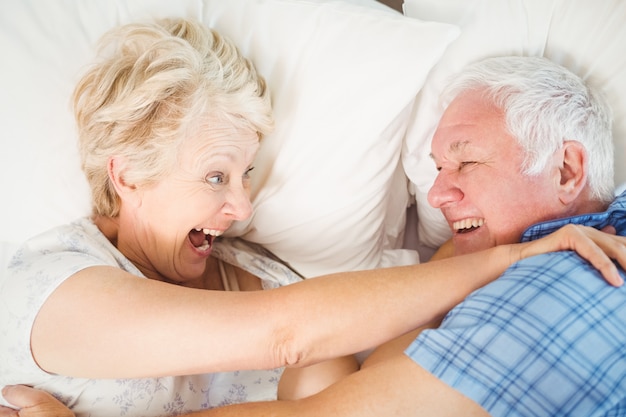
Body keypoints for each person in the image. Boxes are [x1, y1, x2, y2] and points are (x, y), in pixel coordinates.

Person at [4, 18, 622, 417]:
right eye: (216, 176)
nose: (242, 207)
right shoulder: (51, 286)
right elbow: (286, 337)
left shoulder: (261, 271)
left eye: (247, 175)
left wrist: (492, 250)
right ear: (128, 174)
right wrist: (507, 257)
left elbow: (352, 397)